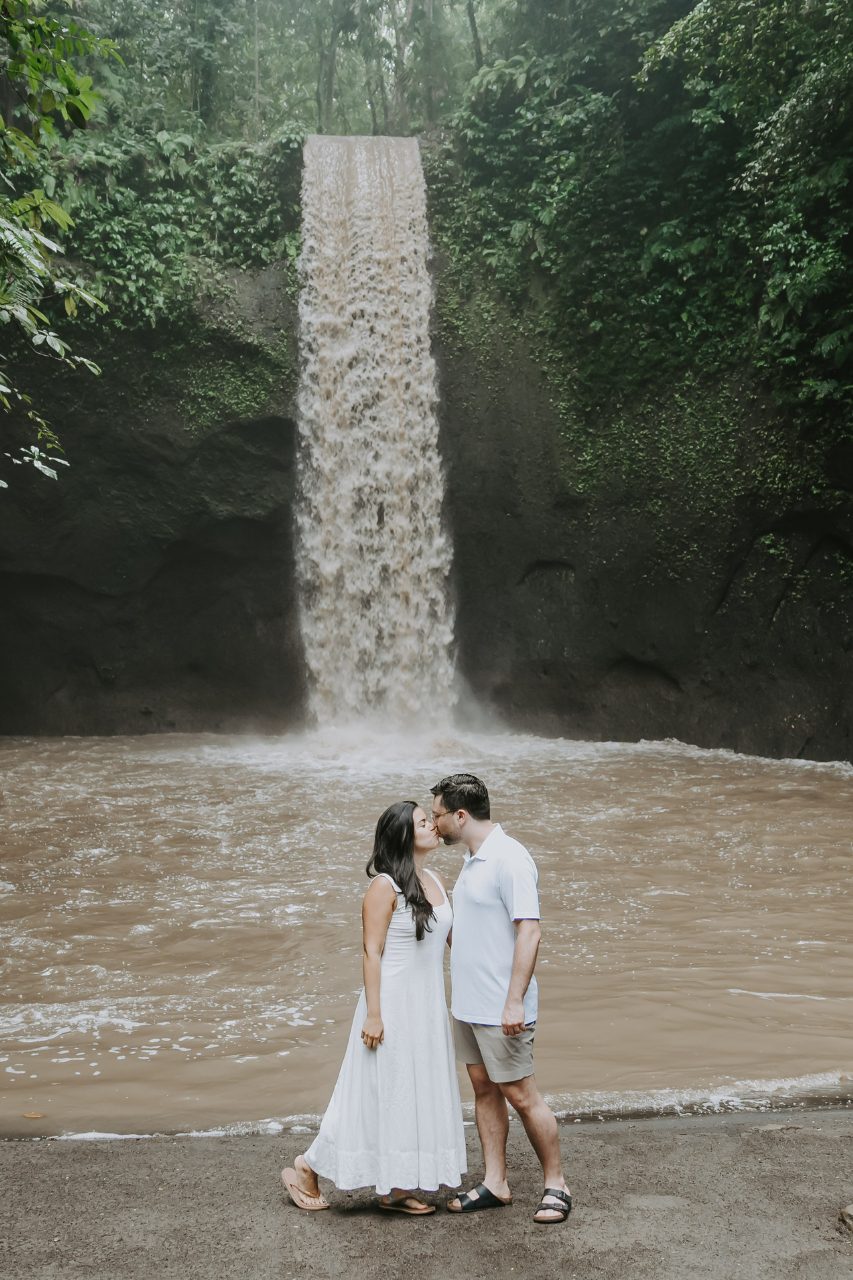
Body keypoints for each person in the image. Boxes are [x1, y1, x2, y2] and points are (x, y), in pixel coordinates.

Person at [281, 801, 466, 1215]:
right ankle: (307, 1166)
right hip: (392, 1005)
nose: (433, 826)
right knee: (368, 1095)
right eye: (423, 823)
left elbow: (453, 942)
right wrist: (375, 1014)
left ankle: (394, 1186)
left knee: (409, 1094)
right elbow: (371, 951)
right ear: (403, 836)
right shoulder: (384, 886)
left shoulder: (434, 879)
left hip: (427, 1006)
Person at [430, 773, 572, 1225]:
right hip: (469, 1004)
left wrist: (514, 1001)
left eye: (437, 816)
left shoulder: (510, 858)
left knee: (522, 1094)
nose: (434, 825)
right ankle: (496, 1182)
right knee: (484, 1089)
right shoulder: (473, 861)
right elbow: (468, 934)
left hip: (501, 1006)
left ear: (460, 815)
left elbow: (529, 930)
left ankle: (557, 1185)